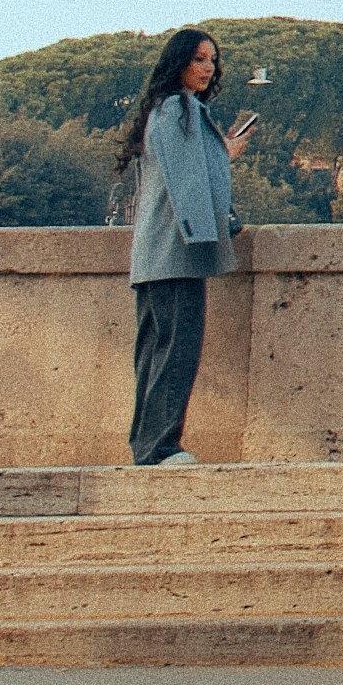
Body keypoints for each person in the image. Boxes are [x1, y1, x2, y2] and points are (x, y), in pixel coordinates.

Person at [113, 30, 242, 468]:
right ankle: (159, 448)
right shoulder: (180, 109)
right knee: (175, 350)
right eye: (199, 59)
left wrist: (221, 153)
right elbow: (187, 181)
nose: (207, 67)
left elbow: (183, 172)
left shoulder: (164, 109)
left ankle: (148, 446)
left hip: (156, 250)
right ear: (179, 63)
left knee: (155, 352)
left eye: (212, 60)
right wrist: (216, 228)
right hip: (177, 249)